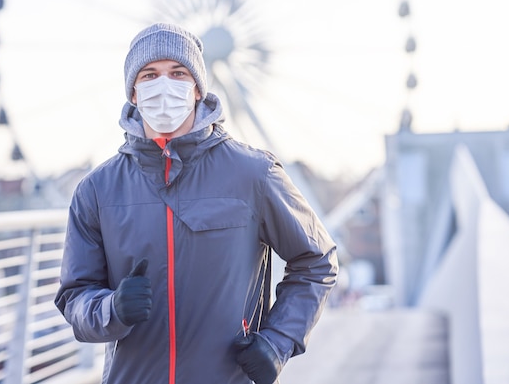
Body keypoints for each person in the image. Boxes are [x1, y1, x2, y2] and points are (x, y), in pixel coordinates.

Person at [55, 22, 339, 384]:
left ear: (197, 89)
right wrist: (112, 308)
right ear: (133, 92)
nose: (164, 85)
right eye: (149, 74)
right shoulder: (97, 190)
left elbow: (317, 259)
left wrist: (277, 342)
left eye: (177, 73)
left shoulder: (253, 173)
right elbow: (75, 295)